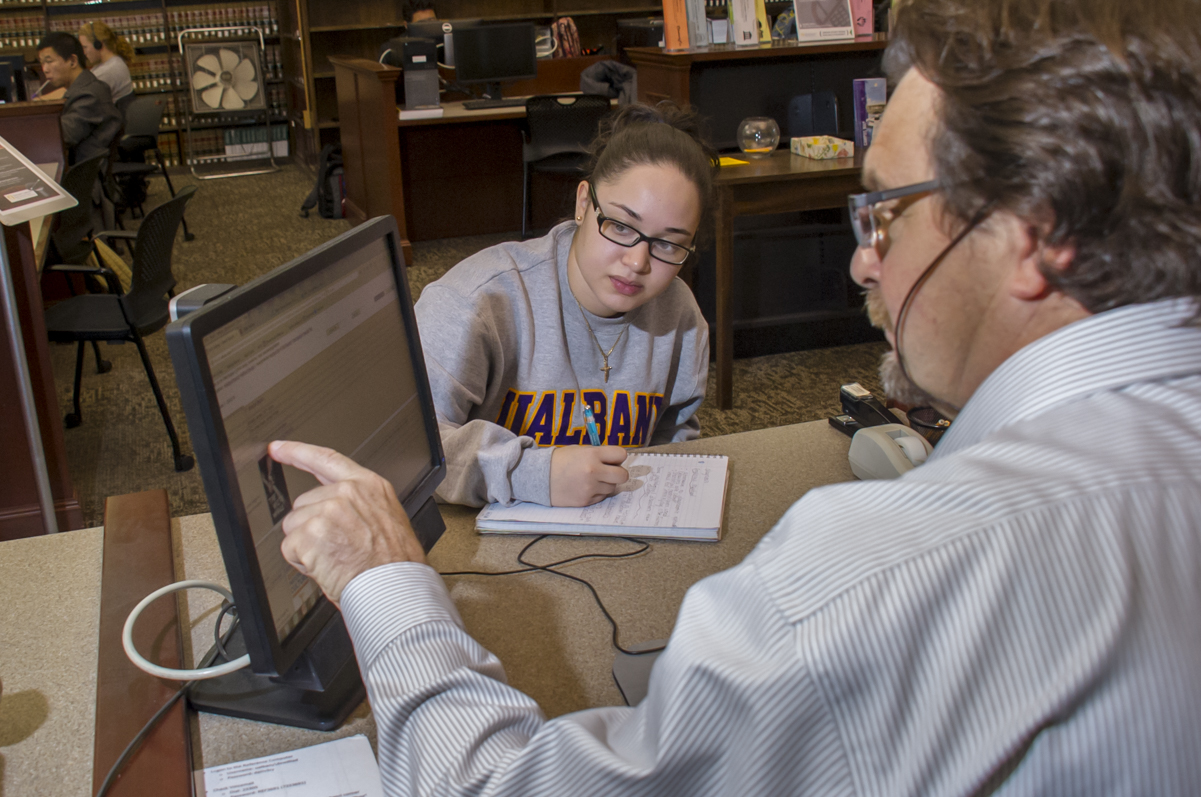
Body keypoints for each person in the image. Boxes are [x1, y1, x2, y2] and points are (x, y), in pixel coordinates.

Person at [269, 0, 1201, 793]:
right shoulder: (482, 298)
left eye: (886, 209)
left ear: (1037, 238)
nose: (859, 258)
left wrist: (384, 583)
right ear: (581, 204)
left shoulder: (870, 572)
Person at [412, 102, 713, 507]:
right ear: (584, 203)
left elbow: (672, 448)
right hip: (482, 542)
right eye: (621, 226)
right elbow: (411, 451)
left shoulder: (680, 316)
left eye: (668, 244)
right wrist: (531, 473)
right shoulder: (476, 301)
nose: (638, 263)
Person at [35, 33, 122, 165]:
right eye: (42, 63)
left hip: (87, 177)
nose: (44, 69)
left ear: (72, 61)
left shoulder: (89, 94)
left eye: (49, 61)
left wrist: (28, 128)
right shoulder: (83, 89)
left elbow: (65, 135)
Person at [78, 21, 134, 106]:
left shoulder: (110, 70)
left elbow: (79, 97)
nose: (84, 52)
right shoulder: (112, 62)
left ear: (98, 45)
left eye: (85, 47)